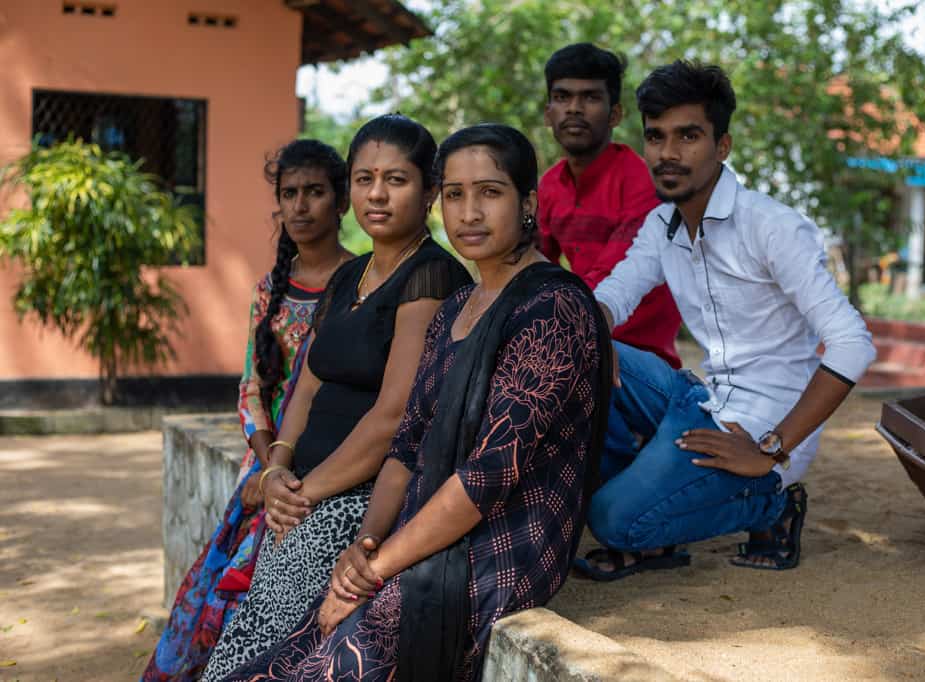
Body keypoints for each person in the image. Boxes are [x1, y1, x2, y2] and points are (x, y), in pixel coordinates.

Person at [216, 124, 611, 682]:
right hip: (414, 526)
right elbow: (407, 445)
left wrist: (374, 568)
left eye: (489, 192)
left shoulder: (553, 308)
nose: (469, 212)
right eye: (455, 194)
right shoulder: (456, 310)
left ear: (527, 203)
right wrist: (367, 541)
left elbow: (487, 477)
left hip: (500, 542)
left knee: (328, 660)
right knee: (279, 655)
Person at [575, 61, 877, 580]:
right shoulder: (662, 223)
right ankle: (657, 504)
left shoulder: (770, 226)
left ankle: (771, 506)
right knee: (576, 344)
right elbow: (614, 296)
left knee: (611, 520)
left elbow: (852, 343)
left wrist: (773, 450)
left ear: (723, 146)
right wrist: (594, 326)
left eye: (688, 136)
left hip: (762, 430)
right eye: (656, 137)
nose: (668, 153)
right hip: (700, 399)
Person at [201, 115, 472, 680]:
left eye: (396, 180)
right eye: (365, 178)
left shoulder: (431, 277)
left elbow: (392, 416)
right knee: (249, 631)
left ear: (428, 191)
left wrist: (301, 493)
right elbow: (307, 385)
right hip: (300, 496)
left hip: (356, 499)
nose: (377, 194)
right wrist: (277, 468)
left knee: (265, 647)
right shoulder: (350, 278)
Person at [142, 139, 353, 681]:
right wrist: (268, 465)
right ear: (278, 204)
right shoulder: (270, 291)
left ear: (342, 201)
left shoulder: (362, 285)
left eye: (315, 192)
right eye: (290, 194)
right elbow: (252, 390)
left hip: (333, 464)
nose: (301, 206)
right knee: (228, 591)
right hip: (266, 468)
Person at [539, 42, 680, 369]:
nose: (574, 108)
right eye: (562, 97)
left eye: (590, 97)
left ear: (615, 113)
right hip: (575, 337)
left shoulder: (642, 183)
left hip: (638, 358)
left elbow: (611, 281)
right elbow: (531, 267)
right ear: (548, 113)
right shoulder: (548, 186)